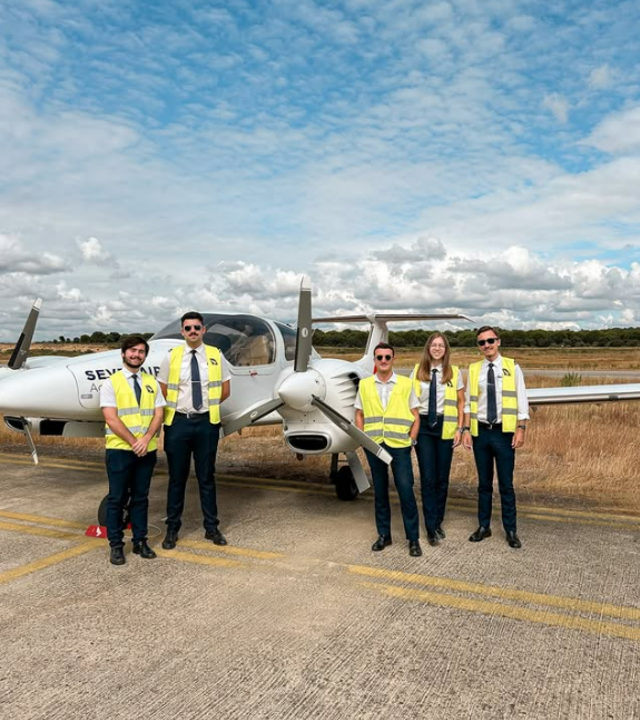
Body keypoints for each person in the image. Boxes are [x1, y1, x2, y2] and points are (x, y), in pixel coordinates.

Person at [158, 312, 231, 550]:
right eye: (188, 328)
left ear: (204, 330)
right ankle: (172, 530)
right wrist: (182, 408)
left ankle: (211, 527)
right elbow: (163, 388)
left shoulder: (215, 356)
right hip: (178, 423)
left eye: (196, 327)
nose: (192, 331)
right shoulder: (172, 356)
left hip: (206, 424)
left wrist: (205, 409)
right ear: (182, 331)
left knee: (206, 477)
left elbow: (225, 389)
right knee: (177, 479)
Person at [100, 335, 165, 566]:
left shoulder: (151, 382)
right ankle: (116, 546)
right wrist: (133, 441)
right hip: (120, 450)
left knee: (141, 498)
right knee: (116, 499)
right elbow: (111, 417)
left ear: (145, 356)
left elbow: (159, 414)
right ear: (123, 354)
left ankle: (140, 542)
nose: (136, 355)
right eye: (132, 351)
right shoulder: (112, 382)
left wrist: (146, 438)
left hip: (145, 451)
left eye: (140, 351)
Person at [462, 326, 529, 548]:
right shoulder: (473, 370)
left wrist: (521, 428)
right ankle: (484, 526)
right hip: (480, 431)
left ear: (498, 341)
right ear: (478, 346)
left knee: (506, 484)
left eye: (490, 340)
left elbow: (521, 399)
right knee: (484, 483)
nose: (487, 345)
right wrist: (466, 431)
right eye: (482, 342)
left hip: (503, 432)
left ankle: (511, 530)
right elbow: (469, 405)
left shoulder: (512, 367)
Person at [355, 342, 422, 557]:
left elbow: (416, 415)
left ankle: (413, 539)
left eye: (387, 357)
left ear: (393, 359)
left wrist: (411, 439)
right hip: (375, 445)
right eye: (379, 357)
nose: (383, 361)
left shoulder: (405, 384)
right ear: (374, 360)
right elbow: (359, 414)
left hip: (400, 446)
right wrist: (364, 438)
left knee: (405, 491)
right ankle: (384, 535)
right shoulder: (364, 385)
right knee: (380, 492)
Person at [410, 332, 464, 546]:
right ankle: (431, 527)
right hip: (423, 427)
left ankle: (438, 521)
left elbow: (461, 402)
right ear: (428, 348)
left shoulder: (454, 372)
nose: (437, 348)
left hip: (445, 427)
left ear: (446, 349)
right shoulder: (417, 370)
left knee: (442, 478)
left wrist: (460, 428)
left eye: (441, 345)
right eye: (434, 345)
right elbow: (410, 400)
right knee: (428, 478)